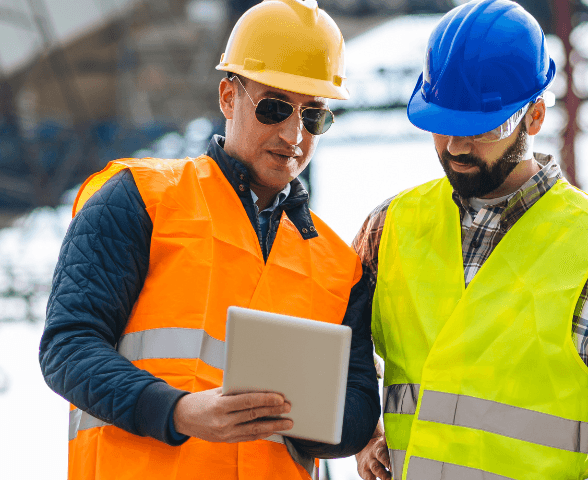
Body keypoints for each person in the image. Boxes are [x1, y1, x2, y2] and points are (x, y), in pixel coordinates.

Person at [39, 1, 380, 479]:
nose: (292, 134)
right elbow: (68, 347)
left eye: (314, 116)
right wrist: (178, 411)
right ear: (227, 96)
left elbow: (360, 406)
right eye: (274, 106)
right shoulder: (139, 199)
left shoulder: (340, 267)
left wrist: (302, 415)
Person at [352, 1, 588, 479]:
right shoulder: (389, 226)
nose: (456, 146)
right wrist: (366, 435)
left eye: (481, 126)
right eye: (443, 122)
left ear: (534, 117)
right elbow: (345, 352)